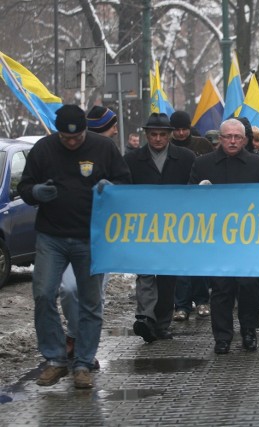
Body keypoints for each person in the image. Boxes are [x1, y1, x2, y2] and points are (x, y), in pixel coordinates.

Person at [17, 104, 131, 389]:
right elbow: (25, 187)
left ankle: (83, 363)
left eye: (77, 137)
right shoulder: (43, 149)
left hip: (90, 236)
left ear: (85, 130)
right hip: (51, 236)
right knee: (43, 294)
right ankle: (55, 359)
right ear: (57, 132)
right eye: (66, 138)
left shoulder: (103, 147)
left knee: (90, 302)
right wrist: (35, 193)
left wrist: (111, 186)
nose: (71, 142)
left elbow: (125, 181)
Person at [190, 118, 259, 354]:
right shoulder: (203, 164)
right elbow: (189, 196)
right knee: (221, 288)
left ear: (245, 139)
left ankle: (249, 330)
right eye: (228, 137)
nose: (233, 141)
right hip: (217, 237)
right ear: (220, 138)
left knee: (248, 286)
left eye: (237, 137)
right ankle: (222, 336)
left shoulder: (257, 164)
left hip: (248, 237)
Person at [125, 113, 196, 342]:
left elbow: (193, 186)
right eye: (153, 134)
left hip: (174, 226)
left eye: (162, 135)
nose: (157, 139)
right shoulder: (132, 159)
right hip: (144, 225)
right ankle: (145, 317)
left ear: (170, 135)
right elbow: (123, 187)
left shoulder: (185, 157)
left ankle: (162, 323)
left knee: (167, 278)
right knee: (145, 272)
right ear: (146, 135)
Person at [59, 105, 121, 366]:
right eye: (111, 127)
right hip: (64, 234)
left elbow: (125, 184)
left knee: (96, 296)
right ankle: (75, 333)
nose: (116, 131)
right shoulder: (63, 152)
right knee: (70, 289)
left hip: (101, 237)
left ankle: (86, 349)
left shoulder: (111, 153)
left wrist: (113, 188)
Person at [169, 110, 213, 322]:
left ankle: (202, 300)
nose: (179, 133)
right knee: (181, 261)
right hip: (177, 209)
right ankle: (182, 304)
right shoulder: (168, 146)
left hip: (200, 210)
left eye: (183, 129)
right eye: (176, 129)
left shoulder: (201, 144)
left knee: (200, 259)